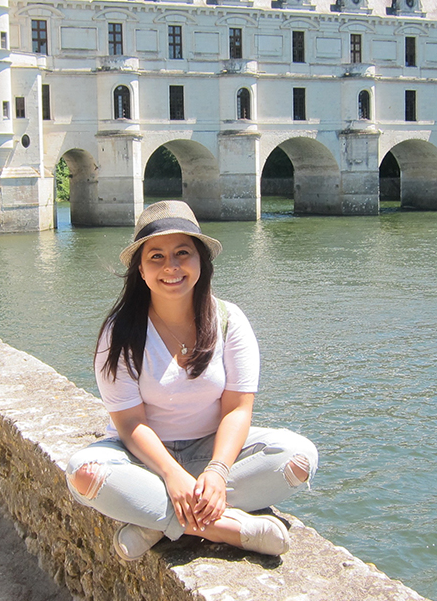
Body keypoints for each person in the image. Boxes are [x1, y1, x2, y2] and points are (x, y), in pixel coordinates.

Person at [66, 200, 318, 561]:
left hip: (211, 450)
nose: (171, 266)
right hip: (142, 458)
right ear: (140, 268)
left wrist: (216, 472)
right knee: (83, 474)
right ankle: (230, 528)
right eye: (156, 256)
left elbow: (237, 409)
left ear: (201, 260)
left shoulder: (230, 320)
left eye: (183, 253)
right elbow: (129, 422)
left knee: (299, 459)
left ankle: (155, 520)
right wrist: (171, 474)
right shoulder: (120, 331)